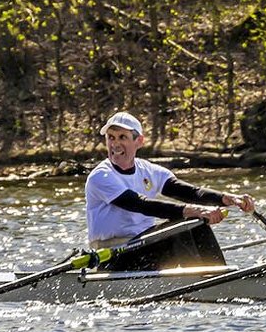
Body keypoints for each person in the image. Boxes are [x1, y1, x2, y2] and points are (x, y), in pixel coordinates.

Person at [85, 112, 256, 271]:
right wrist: (193, 210)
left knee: (197, 224)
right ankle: (197, 283)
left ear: (139, 141)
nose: (115, 144)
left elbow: (190, 192)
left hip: (143, 246)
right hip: (114, 257)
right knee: (180, 228)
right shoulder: (101, 176)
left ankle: (219, 275)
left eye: (122, 137)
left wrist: (228, 198)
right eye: (110, 138)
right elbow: (140, 204)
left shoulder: (148, 170)